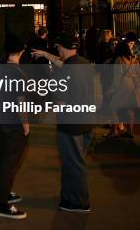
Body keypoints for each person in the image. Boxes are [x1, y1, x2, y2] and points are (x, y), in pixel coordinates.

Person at [33, 32, 95, 213]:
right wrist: (45, 55)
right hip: (87, 121)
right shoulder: (82, 63)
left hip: (70, 125)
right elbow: (63, 63)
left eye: (58, 47)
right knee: (75, 162)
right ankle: (70, 196)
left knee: (73, 164)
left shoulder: (62, 73)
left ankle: (79, 202)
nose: (57, 50)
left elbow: (60, 102)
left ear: (61, 47)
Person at [0, 33, 29, 220]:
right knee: (10, 161)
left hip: (1, 121)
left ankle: (4, 193)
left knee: (4, 160)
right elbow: (21, 100)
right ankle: (2, 204)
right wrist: (26, 124)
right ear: (21, 51)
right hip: (14, 124)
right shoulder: (17, 72)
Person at [105, 40, 140, 138]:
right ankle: (130, 131)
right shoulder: (134, 59)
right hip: (133, 86)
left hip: (123, 85)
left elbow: (117, 77)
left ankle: (114, 131)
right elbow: (139, 74)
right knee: (130, 109)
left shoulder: (119, 59)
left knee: (113, 107)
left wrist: (110, 91)